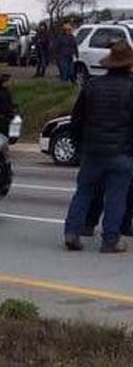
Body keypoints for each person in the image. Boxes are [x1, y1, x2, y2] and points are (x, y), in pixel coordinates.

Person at [63, 40, 133, 253]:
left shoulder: (92, 86)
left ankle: (72, 232)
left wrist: (79, 144)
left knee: (83, 192)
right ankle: (110, 240)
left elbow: (77, 120)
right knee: (116, 196)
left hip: (92, 151)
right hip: (121, 152)